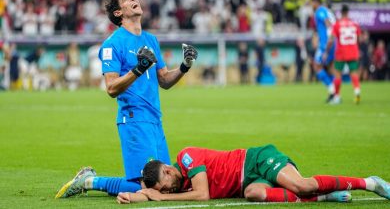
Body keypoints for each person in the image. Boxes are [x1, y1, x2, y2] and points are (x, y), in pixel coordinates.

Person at [55, 0, 198, 199]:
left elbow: (165, 80)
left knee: (173, 183)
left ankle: (91, 179)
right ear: (118, 13)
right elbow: (111, 88)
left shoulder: (151, 40)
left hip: (155, 120)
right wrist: (138, 69)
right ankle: (88, 180)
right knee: (143, 188)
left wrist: (184, 66)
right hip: (133, 120)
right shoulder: (113, 44)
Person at [117, 145, 390, 204]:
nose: (167, 190)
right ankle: (325, 198)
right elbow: (153, 190)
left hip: (255, 161)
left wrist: (159, 199)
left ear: (167, 169)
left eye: (164, 186)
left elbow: (203, 195)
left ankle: (370, 183)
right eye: (163, 191)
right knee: (254, 194)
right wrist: (137, 194)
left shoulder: (186, 158)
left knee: (302, 185)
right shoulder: (177, 181)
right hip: (249, 181)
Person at [324, 4, 361, 104]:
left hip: (341, 52)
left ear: (341, 13)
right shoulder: (354, 24)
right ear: (348, 12)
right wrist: (357, 49)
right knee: (354, 73)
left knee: (337, 75)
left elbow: (331, 39)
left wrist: (326, 51)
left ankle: (337, 97)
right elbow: (358, 39)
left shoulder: (337, 24)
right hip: (353, 51)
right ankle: (357, 92)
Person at [311, 0, 336, 103]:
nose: (311, 5)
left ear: (316, 2)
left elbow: (328, 25)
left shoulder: (320, 11)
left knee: (317, 66)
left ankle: (332, 90)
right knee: (331, 68)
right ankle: (334, 94)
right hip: (332, 42)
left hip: (326, 44)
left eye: (312, 3)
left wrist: (327, 43)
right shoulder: (327, 11)